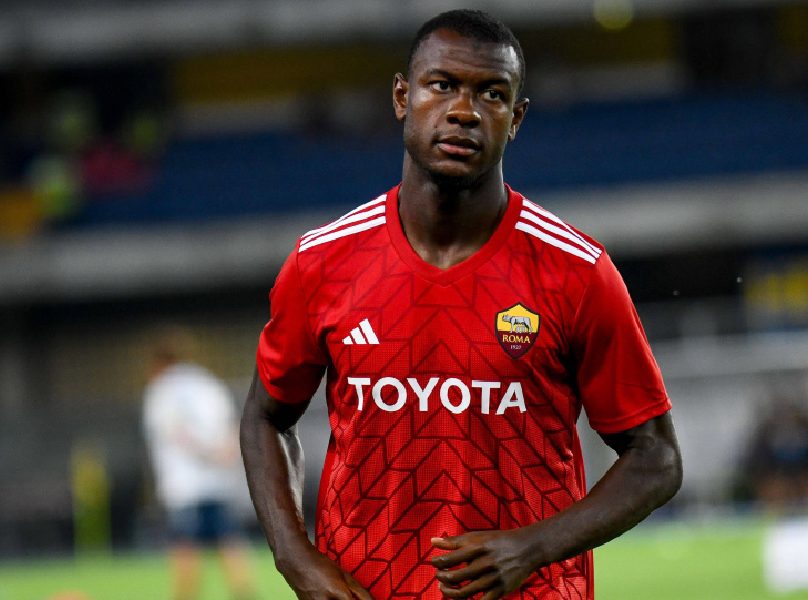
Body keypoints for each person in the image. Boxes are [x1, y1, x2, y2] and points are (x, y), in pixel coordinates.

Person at [241, 9, 682, 600]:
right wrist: (296, 559)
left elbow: (656, 457)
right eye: (442, 85)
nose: (464, 111)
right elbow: (266, 416)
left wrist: (533, 546)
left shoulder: (577, 272)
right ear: (403, 97)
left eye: (492, 94)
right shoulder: (322, 262)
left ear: (515, 119)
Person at [143, 327, 256, 600]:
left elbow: (175, 432)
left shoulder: (161, 389)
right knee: (229, 539)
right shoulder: (207, 383)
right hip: (218, 479)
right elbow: (230, 423)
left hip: (183, 484)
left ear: (159, 361)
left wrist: (207, 453)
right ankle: (246, 595)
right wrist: (225, 454)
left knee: (184, 545)